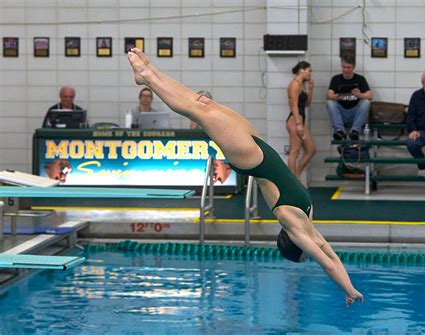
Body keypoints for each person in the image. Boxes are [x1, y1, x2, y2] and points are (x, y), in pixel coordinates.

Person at [128, 48, 363, 306]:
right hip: (257, 145)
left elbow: (327, 261)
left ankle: (148, 76)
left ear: (297, 245)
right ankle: (149, 72)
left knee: (196, 111)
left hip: (251, 156)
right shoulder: (307, 226)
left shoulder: (293, 221)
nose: (312, 252)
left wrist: (349, 289)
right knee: (201, 103)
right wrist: (349, 287)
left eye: (305, 254)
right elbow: (330, 259)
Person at [326, 55, 373, 140]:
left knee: (366, 102)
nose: (346, 70)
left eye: (348, 68)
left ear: (353, 68)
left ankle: (355, 131)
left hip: (355, 113)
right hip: (342, 112)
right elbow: (329, 95)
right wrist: (336, 97)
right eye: (344, 67)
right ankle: (340, 131)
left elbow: (370, 95)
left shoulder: (360, 79)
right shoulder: (336, 79)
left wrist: (359, 95)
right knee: (330, 102)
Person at [286, 61, 316, 180]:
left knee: (311, 149)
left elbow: (307, 104)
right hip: (294, 120)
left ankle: (297, 175)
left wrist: (311, 89)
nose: (310, 74)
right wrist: (298, 124)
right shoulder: (294, 85)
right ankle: (292, 181)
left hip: (300, 120)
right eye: (309, 71)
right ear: (301, 70)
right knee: (295, 151)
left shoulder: (302, 85)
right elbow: (293, 106)